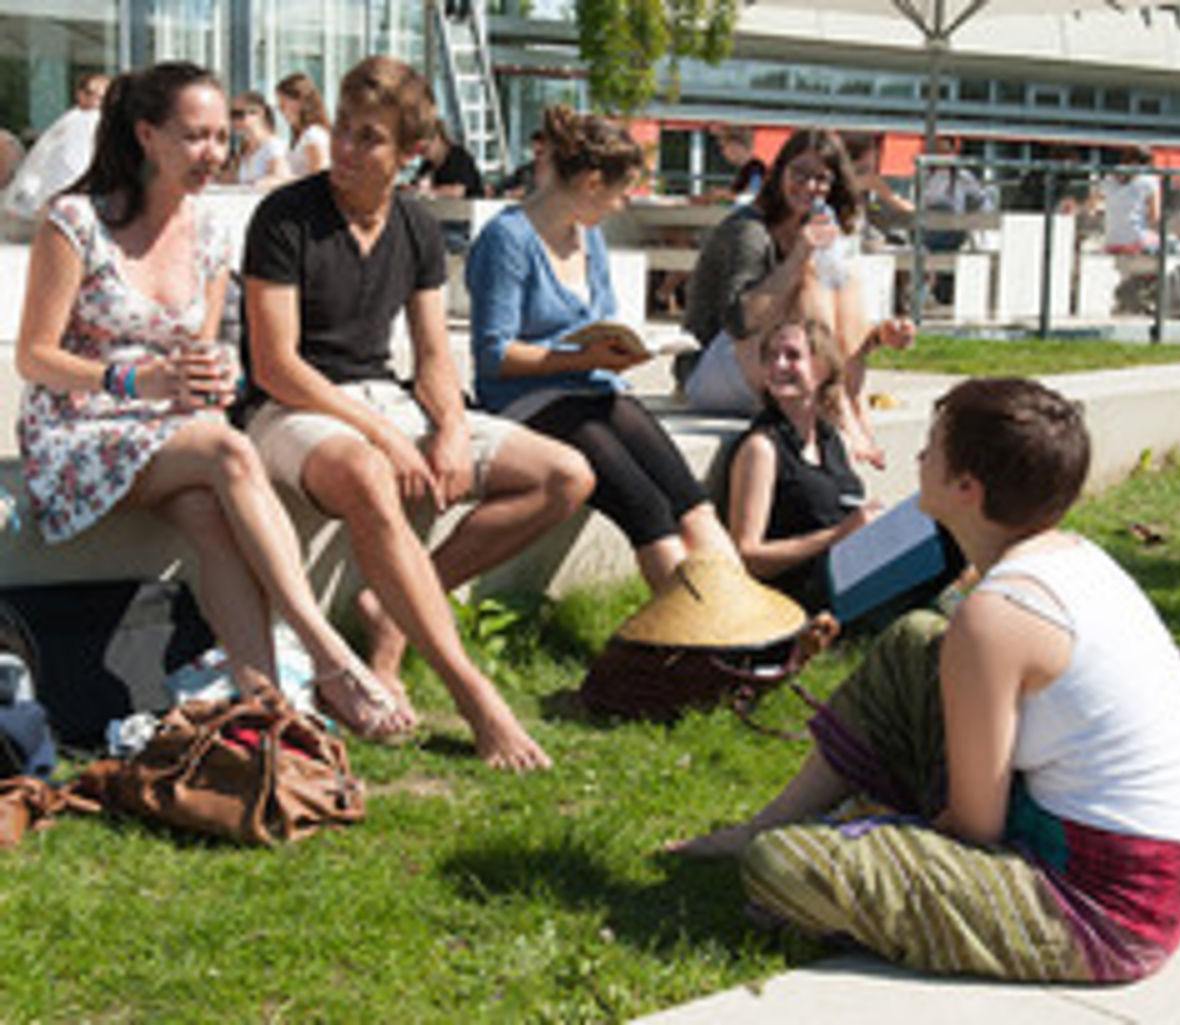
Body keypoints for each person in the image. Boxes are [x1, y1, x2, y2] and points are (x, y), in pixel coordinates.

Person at [673, 376, 1180, 983]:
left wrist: (872, 843)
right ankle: (765, 824)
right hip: (1151, 863)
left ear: (966, 488)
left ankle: (807, 844)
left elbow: (976, 826)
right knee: (914, 640)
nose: (919, 459)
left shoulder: (997, 616)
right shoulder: (1072, 558)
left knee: (782, 866)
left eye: (932, 448)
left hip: (1106, 912)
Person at [14, 61, 407, 744]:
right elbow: (34, 357)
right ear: (146, 135)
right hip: (78, 424)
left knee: (208, 509)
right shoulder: (77, 220)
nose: (213, 154)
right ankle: (325, 651)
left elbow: (201, 349)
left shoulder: (213, 230)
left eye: (221, 136)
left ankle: (264, 702)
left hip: (165, 429)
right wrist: (133, 383)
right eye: (194, 137)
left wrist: (212, 374)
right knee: (230, 448)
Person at [242, 56, 591, 772]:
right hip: (290, 409)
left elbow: (434, 354)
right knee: (374, 474)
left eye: (367, 138)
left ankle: (390, 618)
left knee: (565, 475)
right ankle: (473, 693)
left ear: (407, 155)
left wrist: (454, 429)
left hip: (381, 399)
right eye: (342, 129)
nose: (343, 148)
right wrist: (386, 436)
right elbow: (277, 364)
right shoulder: (286, 215)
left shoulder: (415, 225)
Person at [466, 105, 741, 593]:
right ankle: (696, 640)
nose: (621, 205)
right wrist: (585, 359)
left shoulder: (588, 238)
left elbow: (604, 322)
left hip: (593, 386)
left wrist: (623, 349)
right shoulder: (507, 240)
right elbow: (495, 356)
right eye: (620, 191)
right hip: (529, 398)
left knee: (689, 499)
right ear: (593, 182)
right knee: (647, 509)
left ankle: (744, 620)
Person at [682, 128, 913, 466]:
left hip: (776, 364)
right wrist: (798, 255)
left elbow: (832, 325)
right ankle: (836, 408)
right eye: (799, 174)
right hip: (713, 368)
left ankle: (852, 407)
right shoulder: (749, 229)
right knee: (806, 275)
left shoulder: (822, 226)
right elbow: (740, 322)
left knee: (847, 279)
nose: (809, 187)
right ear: (779, 174)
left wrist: (879, 335)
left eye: (821, 178)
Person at [725, 317, 880, 612]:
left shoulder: (831, 440)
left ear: (823, 367)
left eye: (792, 356)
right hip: (799, 594)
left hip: (845, 575)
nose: (779, 365)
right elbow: (747, 555)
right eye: (770, 357)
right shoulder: (762, 449)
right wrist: (837, 535)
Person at [5, 73, 109, 224]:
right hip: (66, 213)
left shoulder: (70, 122)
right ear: (80, 95)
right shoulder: (86, 122)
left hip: (39, 210)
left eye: (104, 96)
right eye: (92, 94)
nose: (98, 101)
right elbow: (71, 172)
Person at [225, 90, 290, 190]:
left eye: (239, 115)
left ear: (259, 114)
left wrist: (258, 185)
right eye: (231, 115)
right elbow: (232, 178)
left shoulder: (272, 146)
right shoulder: (245, 147)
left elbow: (283, 178)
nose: (234, 121)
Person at [1101, 146, 1160, 253]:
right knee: (1174, 245)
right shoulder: (1149, 180)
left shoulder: (1108, 178)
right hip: (1137, 241)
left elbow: (1092, 204)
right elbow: (1155, 217)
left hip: (1111, 242)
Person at [275, 72, 331, 177]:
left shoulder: (313, 135)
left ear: (300, 101)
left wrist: (281, 182)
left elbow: (318, 176)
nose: (280, 109)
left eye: (284, 102)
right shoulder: (302, 135)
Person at [413, 119, 485, 199]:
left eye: (425, 149)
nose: (423, 155)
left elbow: (457, 192)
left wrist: (426, 191)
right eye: (420, 152)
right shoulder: (427, 165)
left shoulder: (459, 157)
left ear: (437, 138)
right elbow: (416, 186)